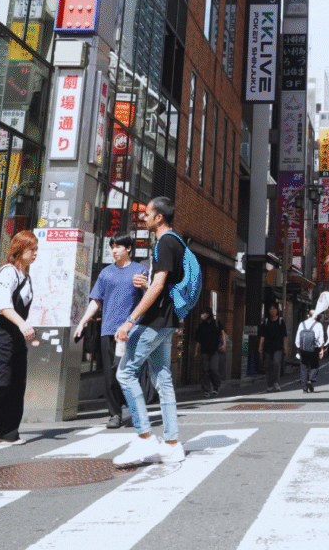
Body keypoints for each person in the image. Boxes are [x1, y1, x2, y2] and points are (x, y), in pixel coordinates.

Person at [112, 196, 186, 467]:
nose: (143, 218)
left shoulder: (165, 242)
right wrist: (147, 285)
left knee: (125, 372)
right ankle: (172, 444)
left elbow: (159, 286)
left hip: (154, 321)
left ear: (159, 218)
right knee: (163, 379)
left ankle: (144, 437)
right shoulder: (176, 242)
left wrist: (130, 319)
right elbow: (160, 286)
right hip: (167, 321)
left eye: (147, 214)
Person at [74, 232, 144, 428]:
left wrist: (146, 286)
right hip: (107, 330)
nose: (114, 250)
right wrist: (83, 322)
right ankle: (115, 415)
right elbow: (96, 300)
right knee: (109, 374)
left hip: (128, 331)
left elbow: (148, 299)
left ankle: (134, 407)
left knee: (123, 370)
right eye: (112, 247)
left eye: (118, 247)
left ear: (128, 248)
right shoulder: (106, 273)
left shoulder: (139, 270)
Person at [0, 230, 37, 446]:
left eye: (36, 250)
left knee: (16, 385)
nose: (35, 254)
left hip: (16, 337)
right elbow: (3, 306)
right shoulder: (8, 272)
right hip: (1, 334)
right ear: (20, 249)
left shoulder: (26, 276)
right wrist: (23, 323)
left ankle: (5, 433)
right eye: (31, 249)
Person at [195, 305, 226, 398]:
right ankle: (206, 390)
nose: (203, 315)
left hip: (215, 350)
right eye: (202, 313)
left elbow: (223, 333)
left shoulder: (216, 323)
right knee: (205, 370)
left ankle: (216, 387)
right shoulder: (201, 325)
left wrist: (224, 344)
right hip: (204, 351)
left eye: (204, 313)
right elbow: (198, 340)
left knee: (214, 369)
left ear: (208, 313)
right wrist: (196, 351)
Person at [258, 303, 287, 392]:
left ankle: (276, 382)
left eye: (274, 309)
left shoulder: (280, 321)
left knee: (276, 363)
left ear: (277, 311)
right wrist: (260, 346)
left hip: (278, 347)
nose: (272, 311)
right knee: (268, 366)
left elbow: (284, 336)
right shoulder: (266, 322)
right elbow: (262, 335)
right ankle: (270, 385)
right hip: (267, 347)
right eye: (271, 309)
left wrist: (285, 347)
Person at [295, 307, 325, 393]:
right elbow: (321, 339)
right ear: (315, 316)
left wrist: (298, 348)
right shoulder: (318, 325)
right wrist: (321, 349)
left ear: (308, 315)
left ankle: (304, 387)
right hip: (314, 349)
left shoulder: (302, 324)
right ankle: (310, 380)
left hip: (303, 349)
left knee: (303, 367)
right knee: (314, 365)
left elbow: (298, 337)